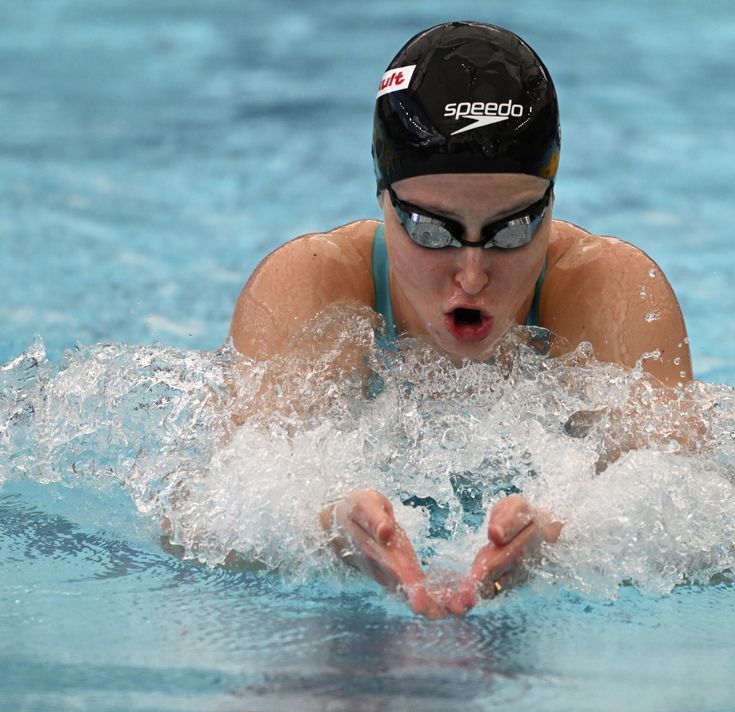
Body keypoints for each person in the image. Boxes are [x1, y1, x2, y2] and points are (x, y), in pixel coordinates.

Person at [228, 21, 693, 618]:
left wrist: (566, 540)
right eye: (430, 229)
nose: (471, 274)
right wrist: (326, 529)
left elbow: (695, 512)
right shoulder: (313, 285)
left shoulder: (610, 291)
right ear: (383, 199)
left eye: (512, 228)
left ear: (551, 205)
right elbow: (215, 506)